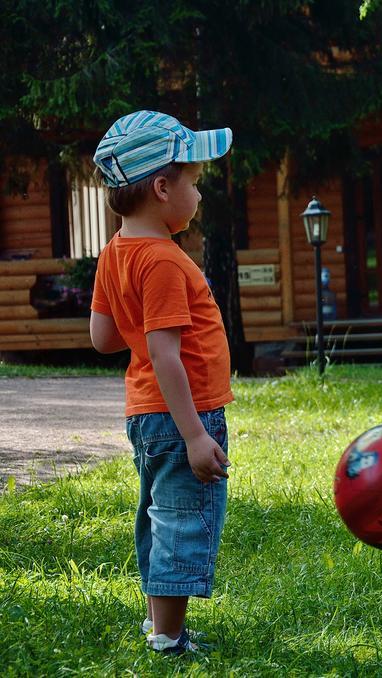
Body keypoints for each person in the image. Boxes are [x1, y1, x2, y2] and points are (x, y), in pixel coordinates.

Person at [89, 110, 234, 654]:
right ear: (162, 186)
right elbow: (165, 354)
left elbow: (103, 336)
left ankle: (161, 626)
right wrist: (196, 434)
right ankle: (169, 639)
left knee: (161, 513)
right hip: (181, 416)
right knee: (182, 522)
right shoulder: (163, 261)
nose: (198, 194)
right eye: (194, 181)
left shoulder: (117, 253)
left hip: (145, 415)